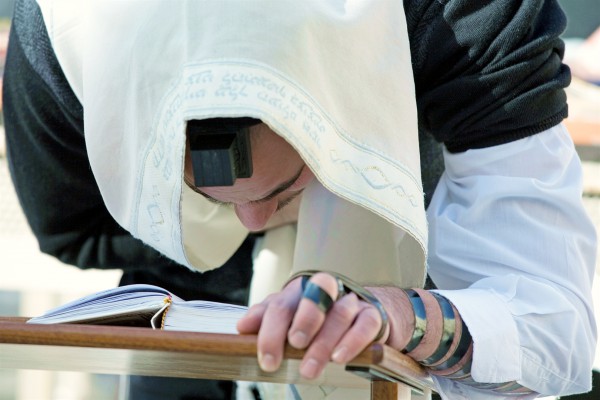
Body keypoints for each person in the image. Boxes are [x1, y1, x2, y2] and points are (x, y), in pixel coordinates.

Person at [3, 1, 597, 400]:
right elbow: (74, 230)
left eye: (280, 190)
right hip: (188, 301)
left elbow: (555, 324)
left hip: (420, 250)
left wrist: (391, 312)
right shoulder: (58, 38)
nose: (252, 216)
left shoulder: (466, 19)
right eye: (206, 191)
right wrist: (220, 242)